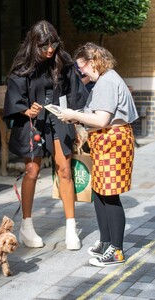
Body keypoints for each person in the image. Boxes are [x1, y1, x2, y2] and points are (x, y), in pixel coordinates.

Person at [3, 20, 88, 250]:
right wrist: (25, 109)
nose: (50, 50)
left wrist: (76, 120)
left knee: (64, 169)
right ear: (34, 44)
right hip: (34, 120)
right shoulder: (24, 65)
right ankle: (27, 226)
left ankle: (71, 227)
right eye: (44, 46)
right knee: (31, 171)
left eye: (53, 44)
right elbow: (14, 94)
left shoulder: (64, 61)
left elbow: (75, 92)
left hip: (59, 118)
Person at [58, 42, 139, 266]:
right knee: (101, 192)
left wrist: (74, 114)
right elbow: (97, 115)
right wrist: (76, 116)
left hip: (112, 140)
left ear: (93, 62)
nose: (80, 71)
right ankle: (106, 242)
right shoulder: (106, 79)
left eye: (81, 65)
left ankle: (117, 251)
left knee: (110, 195)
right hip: (108, 140)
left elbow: (102, 120)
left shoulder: (107, 82)